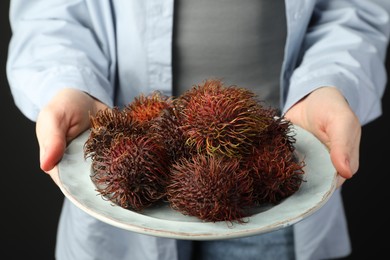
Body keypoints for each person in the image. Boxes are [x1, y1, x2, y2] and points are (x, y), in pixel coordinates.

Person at [6, 1, 390, 260]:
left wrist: (329, 83)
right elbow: (50, 13)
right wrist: (70, 85)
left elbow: (354, 10)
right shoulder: (141, 148)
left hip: (274, 190)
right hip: (123, 212)